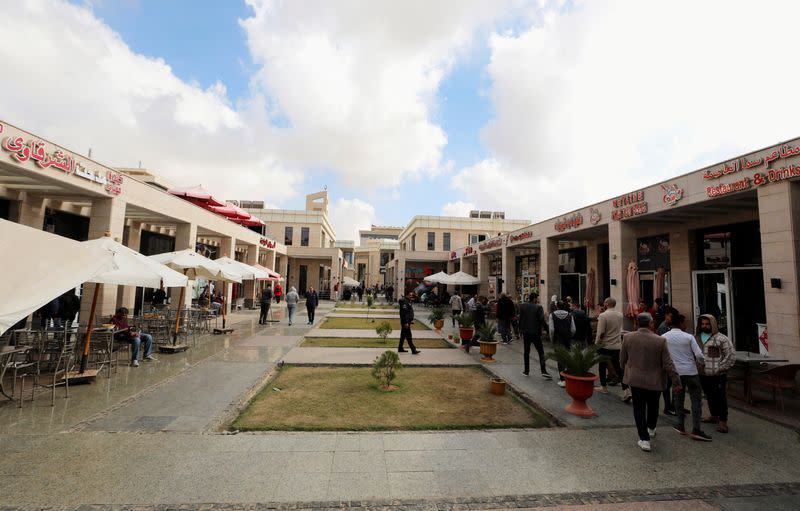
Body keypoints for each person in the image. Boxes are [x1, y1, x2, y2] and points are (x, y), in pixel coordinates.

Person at [621, 312, 681, 452]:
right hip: (655, 380)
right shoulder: (660, 340)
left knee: (639, 408)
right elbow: (668, 363)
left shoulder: (628, 337)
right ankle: (651, 428)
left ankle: (644, 439)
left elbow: (622, 358)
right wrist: (676, 381)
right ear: (651, 323)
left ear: (636, 323)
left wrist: (625, 371)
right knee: (653, 405)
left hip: (635, 379)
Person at [663, 314, 711, 441]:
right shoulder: (688, 337)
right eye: (685, 322)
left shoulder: (664, 337)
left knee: (678, 398)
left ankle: (680, 424)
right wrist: (703, 364)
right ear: (680, 323)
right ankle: (696, 429)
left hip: (676, 373)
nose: (686, 325)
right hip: (691, 372)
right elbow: (699, 355)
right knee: (696, 399)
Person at [695, 314, 736, 434]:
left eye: (707, 324)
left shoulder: (721, 339)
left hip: (718, 375)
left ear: (712, 324)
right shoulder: (696, 337)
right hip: (702, 374)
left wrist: (720, 368)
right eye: (702, 324)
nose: (704, 326)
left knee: (720, 397)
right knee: (709, 395)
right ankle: (714, 415)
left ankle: (723, 421)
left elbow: (731, 356)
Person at [595, 297, 629, 401]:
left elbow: (601, 332)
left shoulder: (603, 315)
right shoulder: (620, 315)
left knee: (602, 365)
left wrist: (597, 343)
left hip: (605, 345)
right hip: (616, 345)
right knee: (618, 367)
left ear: (606, 304)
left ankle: (603, 387)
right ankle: (626, 390)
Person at [519, 292, 550, 379]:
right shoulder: (538, 307)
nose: (538, 300)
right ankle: (543, 370)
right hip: (535, 333)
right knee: (541, 352)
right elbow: (541, 320)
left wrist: (520, 331)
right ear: (535, 299)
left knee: (526, 352)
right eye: (538, 298)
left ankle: (526, 371)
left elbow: (520, 319)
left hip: (526, 333)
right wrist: (547, 330)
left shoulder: (523, 306)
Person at [656, 306, 680, 415]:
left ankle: (675, 405)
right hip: (667, 360)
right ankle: (669, 406)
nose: (672, 318)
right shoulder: (663, 327)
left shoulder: (670, 326)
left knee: (673, 383)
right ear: (666, 315)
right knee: (668, 384)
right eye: (671, 316)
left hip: (673, 359)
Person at [548, 301, 575, 387]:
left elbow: (551, 330)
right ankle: (568, 377)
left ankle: (562, 379)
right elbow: (573, 329)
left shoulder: (552, 315)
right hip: (567, 339)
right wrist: (569, 336)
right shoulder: (570, 315)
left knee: (560, 359)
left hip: (557, 339)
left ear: (557, 306)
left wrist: (552, 339)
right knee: (567, 357)